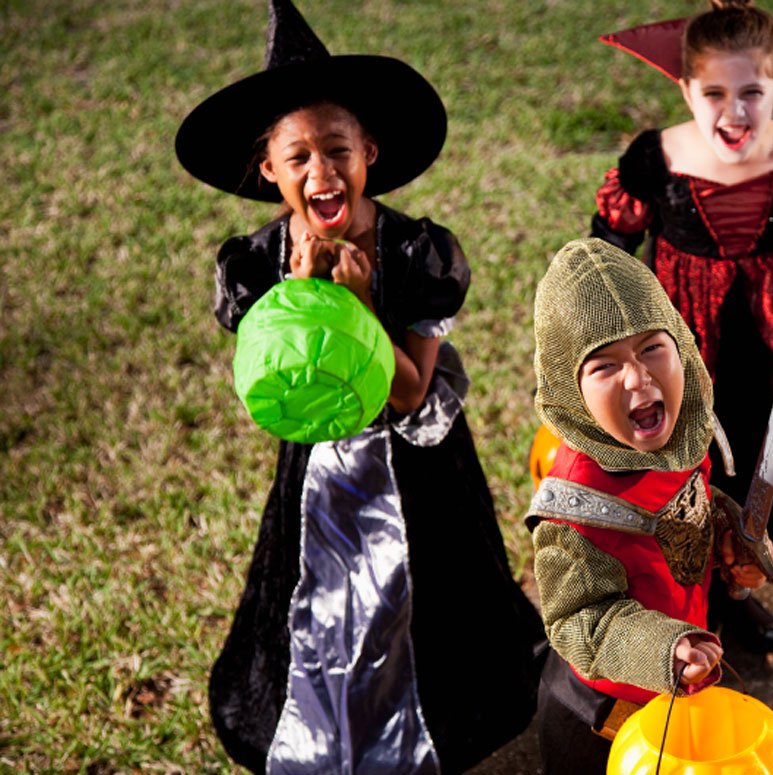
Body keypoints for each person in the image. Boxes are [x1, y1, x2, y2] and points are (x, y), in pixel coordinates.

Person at [174, 1, 545, 772]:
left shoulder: (417, 252)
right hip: (317, 472)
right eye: (298, 157)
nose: (322, 172)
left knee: (430, 611)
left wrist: (362, 307)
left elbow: (409, 394)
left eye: (337, 149)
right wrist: (302, 302)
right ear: (268, 169)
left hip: (417, 473)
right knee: (318, 599)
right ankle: (323, 724)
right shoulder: (260, 261)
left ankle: (425, 733)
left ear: (369, 150)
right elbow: (273, 384)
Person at [591, 0, 773, 651]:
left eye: (753, 92)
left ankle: (742, 589)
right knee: (696, 483)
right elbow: (606, 259)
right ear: (685, 88)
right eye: (714, 93)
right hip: (689, 356)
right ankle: (702, 610)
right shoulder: (654, 162)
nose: (735, 112)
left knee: (771, 475)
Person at [526, 238, 771, 773]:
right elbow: (579, 619)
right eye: (605, 366)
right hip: (604, 719)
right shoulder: (575, 508)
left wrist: (732, 539)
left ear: (680, 344)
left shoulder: (682, 430)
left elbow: (689, 505)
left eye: (651, 349)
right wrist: (663, 646)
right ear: (571, 392)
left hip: (686, 674)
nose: (638, 378)